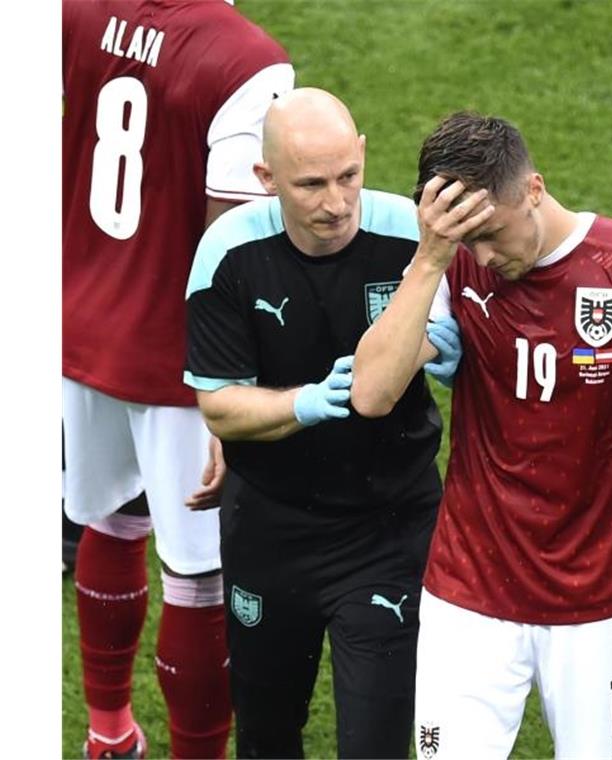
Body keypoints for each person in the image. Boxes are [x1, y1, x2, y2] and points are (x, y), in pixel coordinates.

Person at [352, 111, 612, 759]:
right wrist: (432, 258)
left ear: (534, 190)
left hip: (604, 609)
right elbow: (371, 393)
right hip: (469, 601)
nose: (484, 256)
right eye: (467, 240)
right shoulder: (454, 267)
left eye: (491, 233)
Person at [183, 87, 463, 759]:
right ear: (265, 178)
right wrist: (303, 404)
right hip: (270, 529)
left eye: (348, 176)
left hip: (389, 528)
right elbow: (219, 405)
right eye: (310, 184)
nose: (335, 202)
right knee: (267, 735)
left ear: (363, 155)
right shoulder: (227, 252)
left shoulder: (411, 237)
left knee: (378, 743)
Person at [62, 1, 294, 756]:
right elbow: (232, 244)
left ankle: (108, 738)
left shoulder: (78, 10)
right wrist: (237, 388)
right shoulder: (245, 59)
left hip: (84, 332)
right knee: (199, 577)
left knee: (111, 518)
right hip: (182, 363)